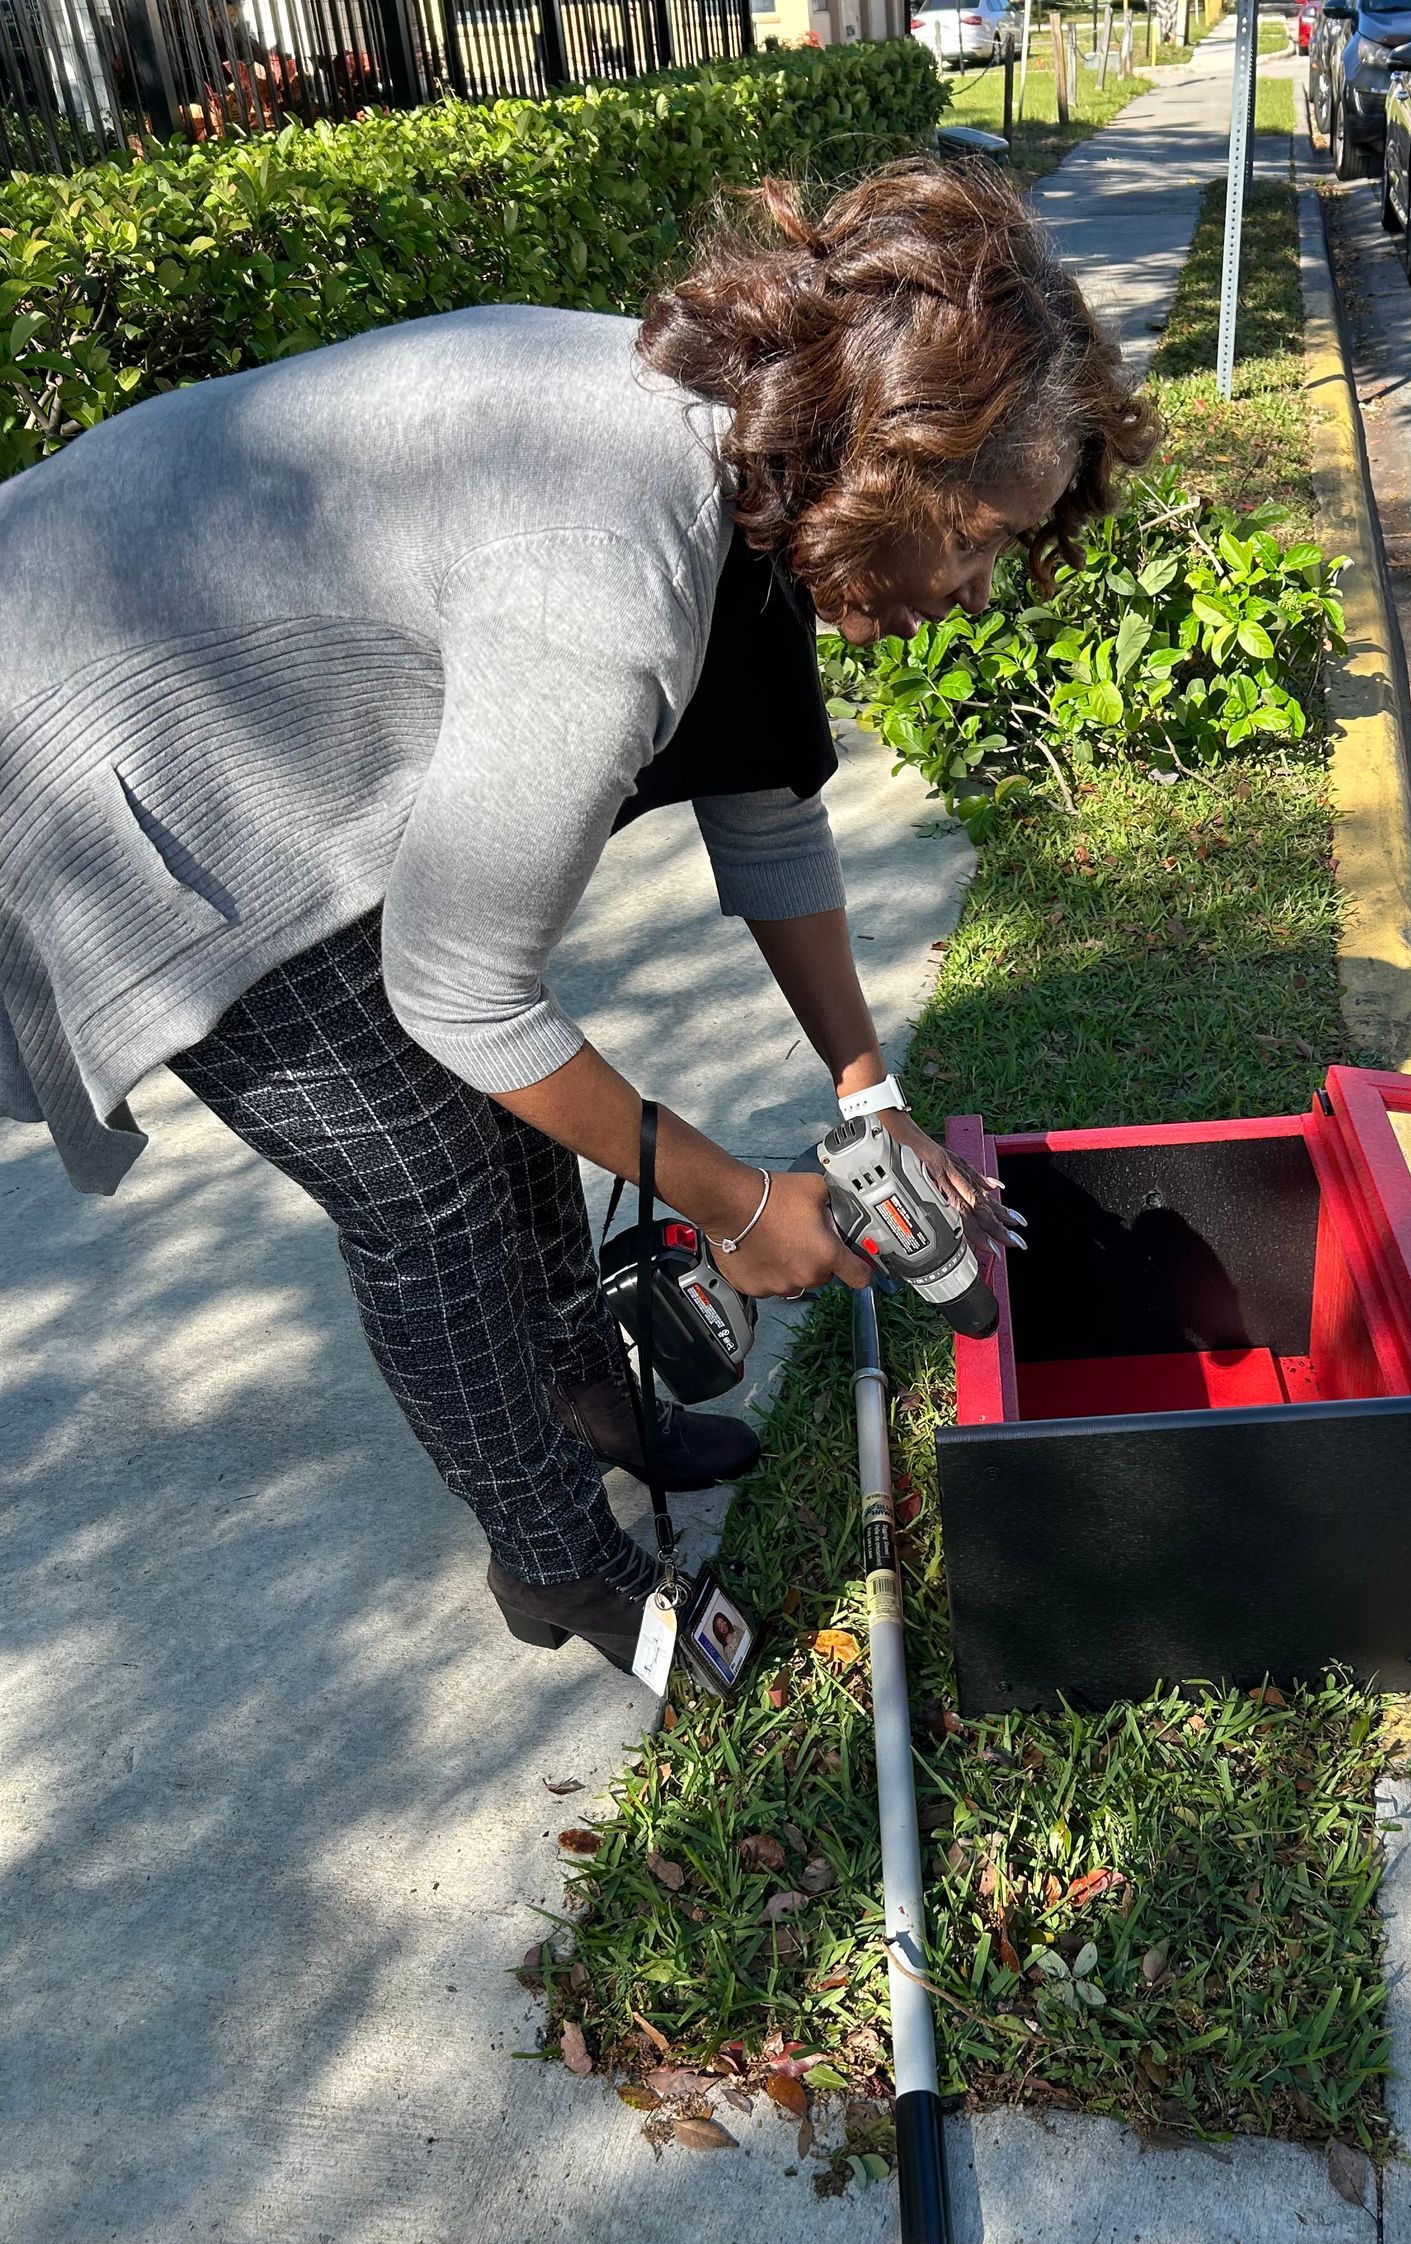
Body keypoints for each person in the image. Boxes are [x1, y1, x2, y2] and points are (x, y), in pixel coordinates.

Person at [0, 159, 1154, 1678]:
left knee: (521, 1115)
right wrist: (739, 1209)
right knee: (423, 1172)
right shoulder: (610, 570)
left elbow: (769, 805)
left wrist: (866, 1093)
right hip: (94, 735)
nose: (983, 585)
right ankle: (555, 1561)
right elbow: (462, 994)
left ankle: (584, 1394)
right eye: (986, 535)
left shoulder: (766, 447)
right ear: (898, 461)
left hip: (218, 682)